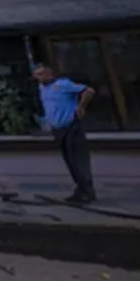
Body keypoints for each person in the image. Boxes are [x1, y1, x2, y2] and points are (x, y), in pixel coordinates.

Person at [33, 63, 97, 204]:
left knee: (78, 159)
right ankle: (80, 189)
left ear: (50, 73)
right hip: (58, 130)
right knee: (70, 161)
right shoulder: (42, 88)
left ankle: (88, 191)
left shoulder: (63, 84)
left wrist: (81, 107)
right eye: (37, 75)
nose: (39, 78)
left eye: (41, 74)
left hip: (71, 127)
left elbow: (89, 91)